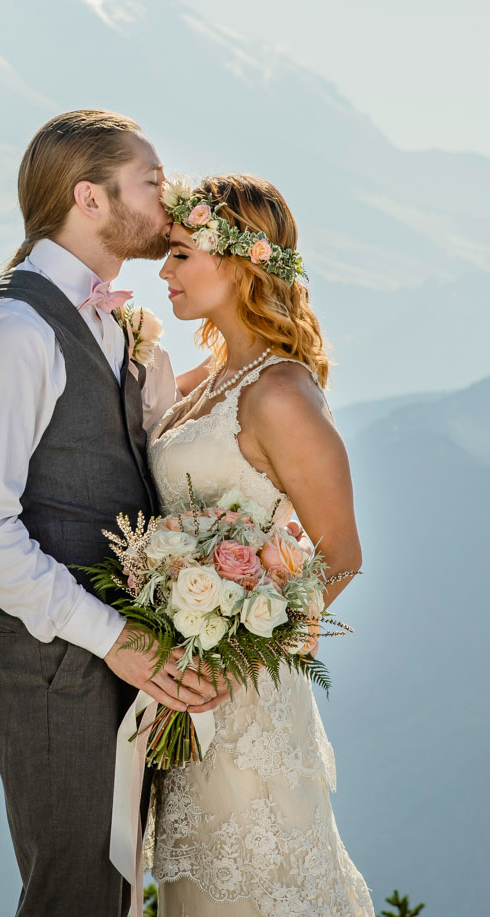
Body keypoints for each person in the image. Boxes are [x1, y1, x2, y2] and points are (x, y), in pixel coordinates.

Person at [0, 109, 226, 917]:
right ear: (89, 198)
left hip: (124, 654)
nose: (168, 201)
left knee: (123, 895)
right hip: (55, 661)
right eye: (153, 182)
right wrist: (118, 638)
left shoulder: (116, 322)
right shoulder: (8, 331)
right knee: (75, 894)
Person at [147, 172, 373, 916]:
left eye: (179, 253)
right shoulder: (207, 377)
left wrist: (235, 644)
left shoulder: (278, 391)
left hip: (243, 696)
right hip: (182, 684)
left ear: (238, 261)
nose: (164, 270)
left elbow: (340, 550)